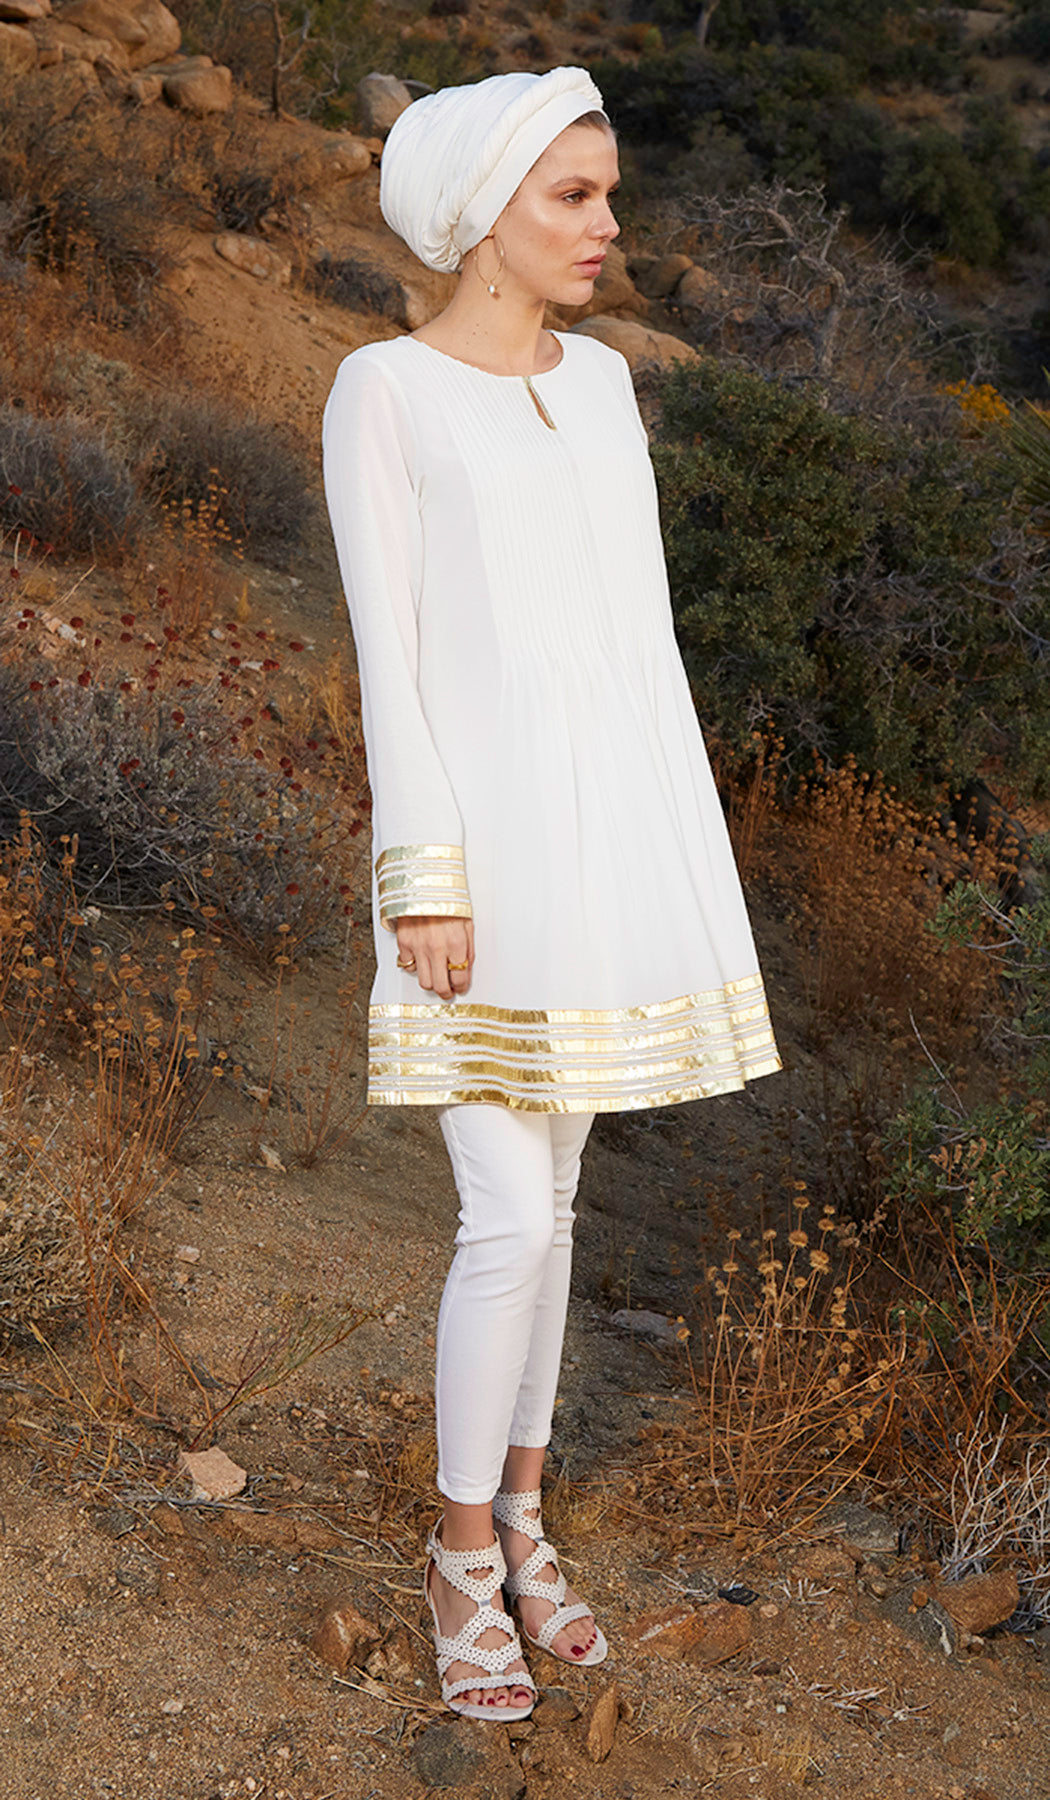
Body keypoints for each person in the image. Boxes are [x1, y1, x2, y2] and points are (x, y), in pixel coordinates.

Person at [321, 64, 781, 1724]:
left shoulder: (595, 387)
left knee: (563, 1207)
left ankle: (521, 1516)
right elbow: (396, 663)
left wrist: (671, 847)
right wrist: (420, 880)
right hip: (472, 869)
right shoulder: (381, 389)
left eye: (607, 192)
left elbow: (633, 648)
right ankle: (457, 1556)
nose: (605, 225)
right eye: (570, 197)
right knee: (503, 1217)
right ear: (480, 216)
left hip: (607, 846)